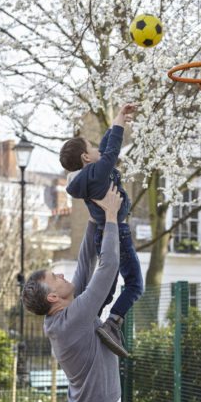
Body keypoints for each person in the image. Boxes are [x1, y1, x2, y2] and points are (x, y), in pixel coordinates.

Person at [22, 184, 124, 402]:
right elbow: (107, 266)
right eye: (54, 277)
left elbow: (84, 268)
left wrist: (91, 221)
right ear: (53, 297)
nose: (60, 273)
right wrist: (110, 217)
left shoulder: (60, 319)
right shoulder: (73, 318)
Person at [59, 103, 143, 358]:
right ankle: (112, 323)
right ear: (86, 158)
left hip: (104, 234)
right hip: (118, 234)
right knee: (135, 284)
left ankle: (91, 319)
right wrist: (118, 124)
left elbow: (105, 149)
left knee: (108, 288)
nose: (97, 149)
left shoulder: (88, 177)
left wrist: (119, 118)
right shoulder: (97, 174)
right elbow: (111, 150)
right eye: (91, 148)